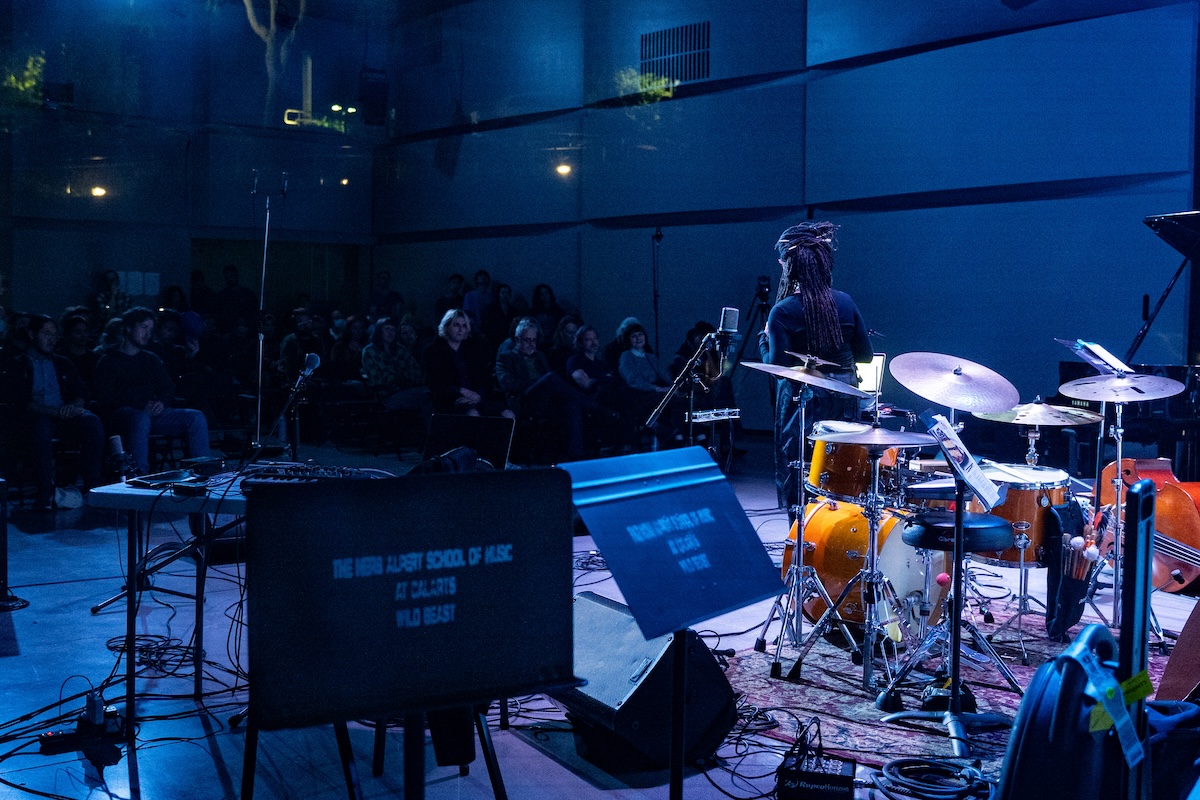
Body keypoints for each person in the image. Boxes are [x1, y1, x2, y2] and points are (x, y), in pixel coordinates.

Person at [758, 221, 872, 516]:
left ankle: (801, 543)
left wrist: (764, 340)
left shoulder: (783, 311)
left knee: (798, 471)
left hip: (802, 404)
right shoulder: (845, 302)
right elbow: (866, 356)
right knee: (841, 473)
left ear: (789, 267)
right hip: (845, 400)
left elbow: (778, 368)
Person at [94, 307, 211, 474]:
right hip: (123, 415)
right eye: (143, 327)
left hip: (151, 413)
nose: (148, 333)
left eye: (150, 329)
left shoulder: (151, 359)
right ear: (128, 328)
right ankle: (138, 474)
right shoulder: (109, 360)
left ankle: (203, 470)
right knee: (140, 418)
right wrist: (141, 404)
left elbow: (168, 387)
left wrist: (161, 402)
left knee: (195, 416)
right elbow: (106, 397)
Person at [14, 315, 105, 510]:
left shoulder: (63, 362)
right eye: (47, 334)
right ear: (32, 334)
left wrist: (74, 406)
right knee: (41, 427)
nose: (52, 339)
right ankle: (45, 491)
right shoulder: (19, 364)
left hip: (64, 415)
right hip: (37, 417)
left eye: (55, 335)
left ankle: (92, 489)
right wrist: (54, 411)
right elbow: (22, 401)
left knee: (92, 422)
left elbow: (81, 392)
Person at [495, 318, 584, 461]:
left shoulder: (540, 356)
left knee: (570, 403)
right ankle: (590, 404)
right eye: (527, 340)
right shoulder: (506, 358)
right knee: (551, 378)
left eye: (534, 340)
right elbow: (507, 384)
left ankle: (576, 455)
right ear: (517, 340)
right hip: (524, 400)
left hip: (545, 400)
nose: (531, 345)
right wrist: (537, 382)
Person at [422, 309, 509, 418]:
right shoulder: (433, 351)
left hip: (477, 396)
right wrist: (461, 391)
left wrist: (477, 395)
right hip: (451, 399)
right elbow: (435, 383)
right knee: (472, 414)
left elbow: (484, 377)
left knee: (507, 414)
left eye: (464, 326)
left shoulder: (472, 349)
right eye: (456, 325)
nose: (460, 330)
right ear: (446, 326)